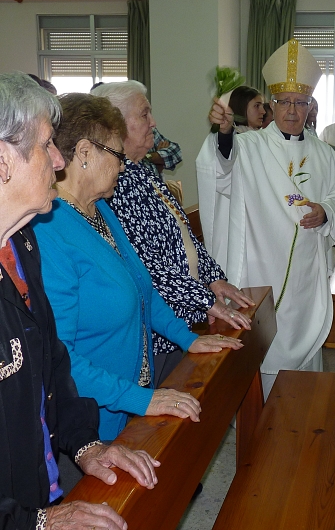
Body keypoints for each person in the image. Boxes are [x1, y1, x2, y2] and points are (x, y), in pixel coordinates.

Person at [0, 72, 163, 530]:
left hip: (41, 483)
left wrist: (87, 444)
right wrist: (36, 522)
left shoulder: (22, 244)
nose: (59, 160)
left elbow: (53, 361)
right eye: (47, 146)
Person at [32, 93, 244, 442]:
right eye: (116, 155)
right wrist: (141, 399)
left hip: (124, 400)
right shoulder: (51, 232)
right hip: (85, 423)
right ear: (84, 153)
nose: (121, 166)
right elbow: (60, 358)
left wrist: (189, 340)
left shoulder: (101, 211)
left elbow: (144, 291)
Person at [197, 39, 335, 397]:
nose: (293, 110)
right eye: (284, 102)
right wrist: (223, 133)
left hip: (306, 273)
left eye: (300, 103)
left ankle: (299, 418)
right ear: (272, 105)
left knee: (303, 355)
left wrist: (326, 211)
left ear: (311, 106)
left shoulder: (324, 153)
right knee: (264, 349)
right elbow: (222, 167)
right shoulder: (249, 146)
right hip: (258, 265)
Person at [89, 80, 253, 385]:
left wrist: (213, 277)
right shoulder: (114, 184)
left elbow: (182, 233)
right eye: (144, 114)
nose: (154, 122)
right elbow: (146, 266)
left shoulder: (140, 169)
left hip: (178, 319)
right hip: (155, 329)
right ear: (115, 123)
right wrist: (204, 299)